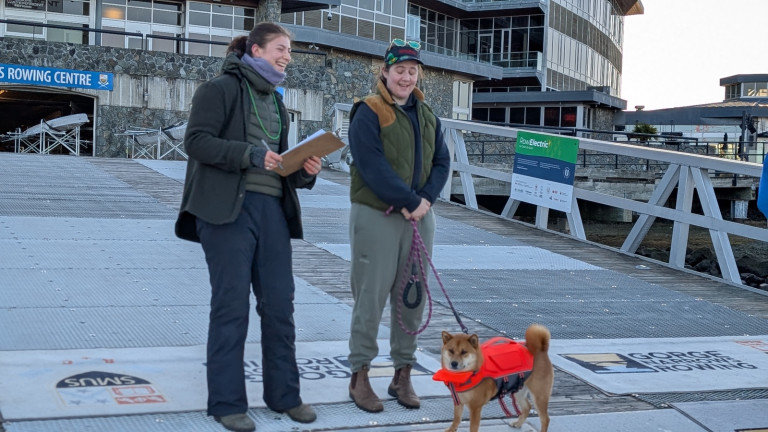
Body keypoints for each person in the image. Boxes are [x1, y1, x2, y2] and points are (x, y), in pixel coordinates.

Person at [175, 22, 321, 432]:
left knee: (280, 307)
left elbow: (281, 167)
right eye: (280, 47)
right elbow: (197, 142)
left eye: (289, 49)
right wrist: (250, 154)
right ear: (255, 50)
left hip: (272, 211)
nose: (287, 55)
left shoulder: (276, 102)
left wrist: (305, 170)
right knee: (231, 307)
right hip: (225, 213)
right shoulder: (218, 89)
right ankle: (226, 403)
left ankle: (285, 396)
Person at [345, 38, 450, 413]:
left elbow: (441, 162)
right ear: (385, 72)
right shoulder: (369, 110)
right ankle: (360, 375)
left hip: (419, 217)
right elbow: (371, 165)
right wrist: (407, 201)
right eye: (399, 70)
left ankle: (402, 373)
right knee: (370, 296)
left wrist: (425, 202)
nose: (406, 77)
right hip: (378, 214)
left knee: (413, 296)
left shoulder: (427, 114)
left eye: (412, 70)